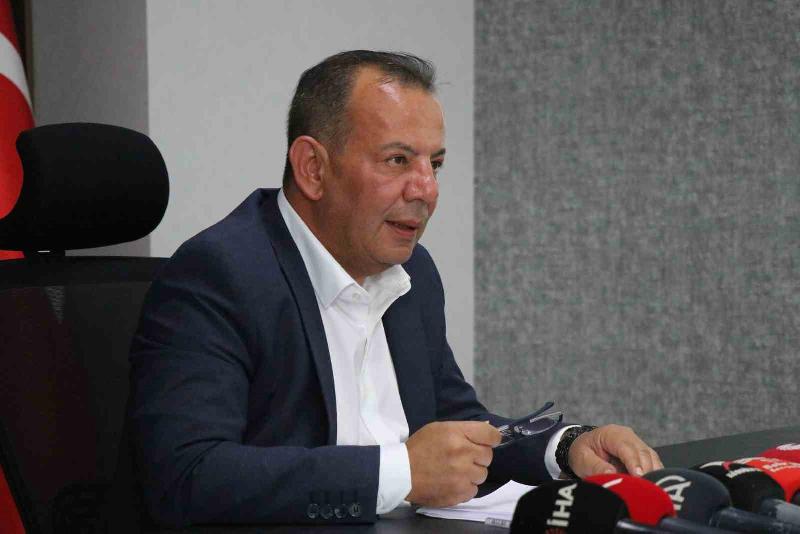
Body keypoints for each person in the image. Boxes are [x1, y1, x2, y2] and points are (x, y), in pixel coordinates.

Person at [129, 50, 662, 528]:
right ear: (313, 168)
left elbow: (457, 429)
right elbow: (187, 476)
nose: (426, 190)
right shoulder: (222, 274)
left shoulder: (413, 274)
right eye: (398, 160)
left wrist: (565, 449)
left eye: (436, 164)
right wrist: (401, 473)